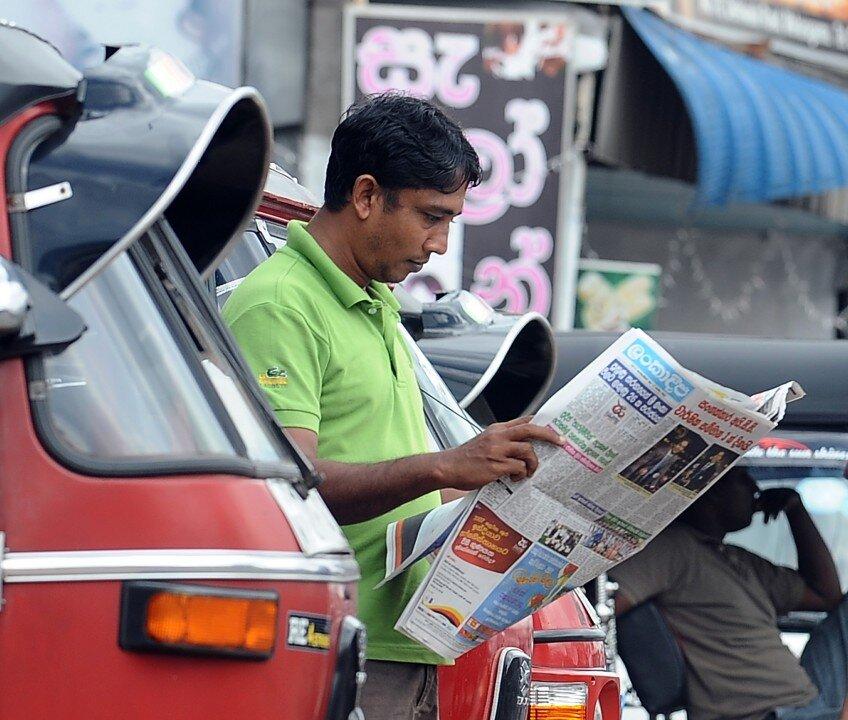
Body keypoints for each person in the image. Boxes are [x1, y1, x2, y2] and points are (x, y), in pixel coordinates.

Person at [222, 92, 564, 720]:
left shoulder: (376, 301)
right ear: (367, 196)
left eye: (452, 220)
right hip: (339, 643)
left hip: (411, 642)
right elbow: (288, 488)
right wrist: (443, 468)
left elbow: (396, 472)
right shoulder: (280, 305)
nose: (439, 243)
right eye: (432, 216)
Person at [610, 466, 847, 720]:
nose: (755, 489)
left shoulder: (733, 558)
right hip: (764, 713)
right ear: (710, 490)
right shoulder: (672, 549)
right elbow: (600, 609)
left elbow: (826, 596)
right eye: (742, 480)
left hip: (809, 703)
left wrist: (795, 510)